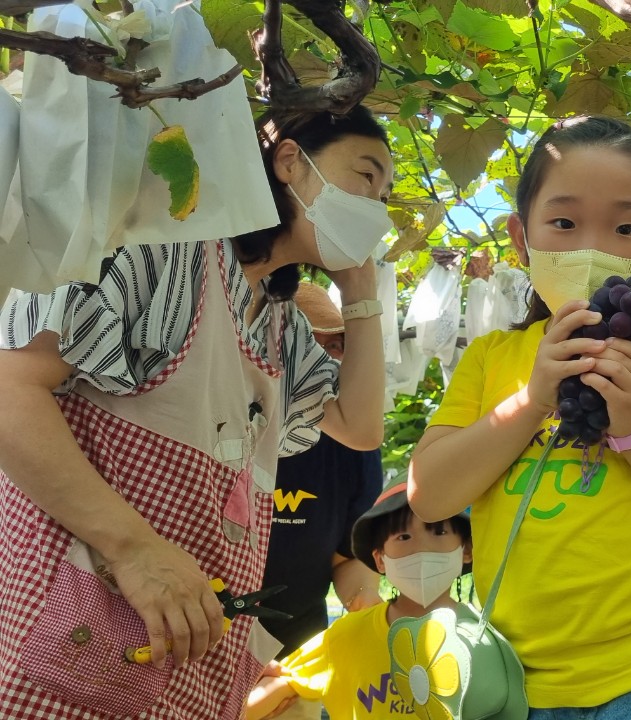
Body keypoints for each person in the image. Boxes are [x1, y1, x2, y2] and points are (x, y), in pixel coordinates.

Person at [0, 106, 390, 718]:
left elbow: (361, 426)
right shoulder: (165, 247)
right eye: (367, 177)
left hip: (185, 657)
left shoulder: (281, 321)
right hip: (86, 630)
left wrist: (363, 295)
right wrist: (134, 549)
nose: (377, 206)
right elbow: (8, 386)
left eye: (386, 194)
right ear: (291, 161)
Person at [408, 115, 631, 717]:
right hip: (513, 680)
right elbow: (430, 495)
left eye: (626, 227)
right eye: (564, 223)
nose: (591, 248)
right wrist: (529, 401)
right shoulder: (493, 359)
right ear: (522, 241)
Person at [245, 482, 472, 720]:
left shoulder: (482, 639)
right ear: (380, 559)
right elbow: (280, 686)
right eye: (404, 536)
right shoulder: (346, 636)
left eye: (439, 532)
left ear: (466, 548)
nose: (420, 549)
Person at [260, 282, 384, 660]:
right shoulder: (225, 425)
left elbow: (346, 557)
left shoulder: (353, 442)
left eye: (335, 347)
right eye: (308, 344)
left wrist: (369, 608)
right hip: (202, 636)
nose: (323, 361)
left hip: (297, 644)